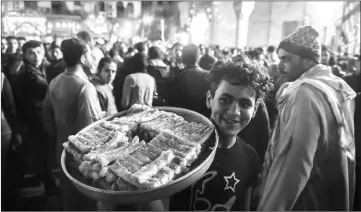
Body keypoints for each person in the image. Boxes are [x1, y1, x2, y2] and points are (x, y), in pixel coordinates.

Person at [145, 53, 273, 211]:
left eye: (245, 104)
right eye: (225, 100)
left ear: (254, 111)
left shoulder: (250, 157)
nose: (234, 112)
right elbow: (157, 199)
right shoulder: (178, 150)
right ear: (209, 100)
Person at [258, 26, 357, 211]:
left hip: (306, 200)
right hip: (332, 197)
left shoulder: (305, 93)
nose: (279, 66)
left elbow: (293, 168)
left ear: (308, 60)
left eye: (287, 59)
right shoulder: (338, 87)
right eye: (280, 59)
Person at [42, 38, 102, 210]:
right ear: (83, 58)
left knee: (69, 201)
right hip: (83, 159)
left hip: (62, 150)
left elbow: (46, 117)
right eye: (89, 54)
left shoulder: (55, 81)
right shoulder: (85, 87)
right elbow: (90, 129)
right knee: (87, 203)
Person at [11, 40, 55, 195]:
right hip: (33, 121)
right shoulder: (24, 75)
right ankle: (48, 185)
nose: (36, 56)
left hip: (38, 119)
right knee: (42, 153)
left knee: (40, 153)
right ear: (24, 54)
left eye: (38, 52)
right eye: (31, 53)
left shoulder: (39, 69)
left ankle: (42, 179)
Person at [168, 44, 209, 113]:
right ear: (199, 57)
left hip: (184, 118)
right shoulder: (210, 77)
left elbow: (171, 103)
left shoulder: (177, 78)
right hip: (205, 120)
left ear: (183, 58)